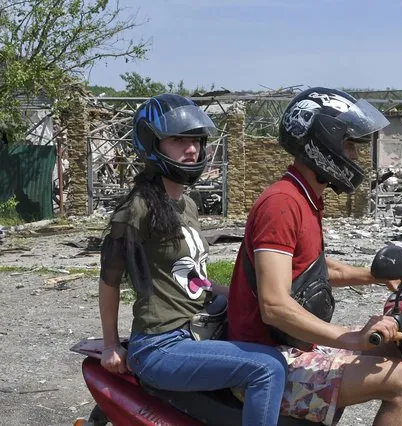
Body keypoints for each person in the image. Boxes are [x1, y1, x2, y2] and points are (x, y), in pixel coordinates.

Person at [227, 87, 402, 426]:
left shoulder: (304, 198)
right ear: (322, 142)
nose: (354, 157)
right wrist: (349, 338)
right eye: (349, 144)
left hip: (290, 347)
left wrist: (374, 276)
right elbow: (273, 306)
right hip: (267, 359)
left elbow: (312, 269)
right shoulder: (282, 203)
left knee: (395, 351)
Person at [98, 93, 288, 426]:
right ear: (152, 143)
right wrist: (112, 345)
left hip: (197, 330)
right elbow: (109, 280)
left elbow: (192, 275)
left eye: (196, 140)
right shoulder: (136, 209)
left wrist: (241, 297)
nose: (192, 149)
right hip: (160, 346)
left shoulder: (187, 205)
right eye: (178, 139)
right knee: (267, 368)